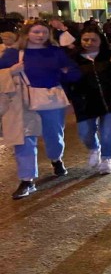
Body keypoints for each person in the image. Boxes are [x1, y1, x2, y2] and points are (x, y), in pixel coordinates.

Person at [0, 21, 83, 199]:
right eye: (36, 32)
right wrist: (11, 71)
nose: (40, 35)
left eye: (44, 32)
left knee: (54, 136)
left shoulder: (55, 52)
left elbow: (74, 73)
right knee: (24, 140)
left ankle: (56, 158)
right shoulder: (13, 54)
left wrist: (63, 73)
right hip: (23, 103)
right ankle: (27, 180)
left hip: (51, 101)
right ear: (26, 33)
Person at [68, 26, 111, 175]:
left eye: (93, 40)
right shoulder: (73, 59)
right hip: (85, 102)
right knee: (85, 132)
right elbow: (66, 81)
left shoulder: (110, 55)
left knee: (108, 132)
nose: (89, 42)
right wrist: (70, 99)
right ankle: (94, 149)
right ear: (80, 40)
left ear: (101, 41)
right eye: (85, 39)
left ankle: (106, 159)